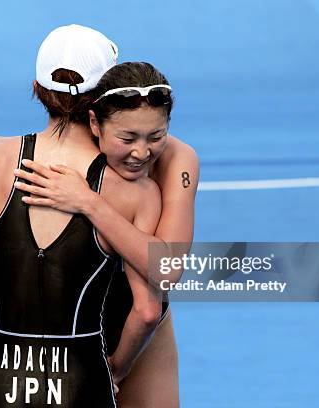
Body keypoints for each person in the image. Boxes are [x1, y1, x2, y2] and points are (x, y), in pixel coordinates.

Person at [0, 25, 163, 407]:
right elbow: (147, 311)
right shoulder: (134, 190)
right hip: (82, 380)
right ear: (107, 100)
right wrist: (118, 367)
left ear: (37, 88)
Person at [14, 62, 200, 407]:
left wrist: (89, 202)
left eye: (156, 137)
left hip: (136, 322)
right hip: (78, 325)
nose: (141, 152)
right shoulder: (67, 155)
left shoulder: (179, 160)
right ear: (94, 123)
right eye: (127, 138)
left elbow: (168, 268)